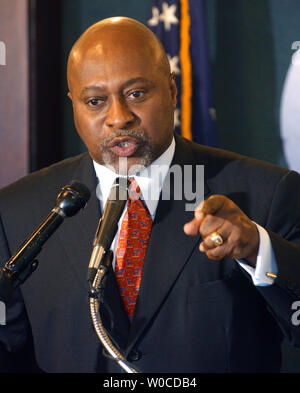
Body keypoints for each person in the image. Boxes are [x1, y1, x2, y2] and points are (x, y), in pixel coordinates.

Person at [0, 16, 300, 373]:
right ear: (74, 105)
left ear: (172, 90)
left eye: (136, 94)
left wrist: (258, 250)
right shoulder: (19, 211)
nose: (118, 117)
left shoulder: (266, 193)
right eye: (95, 101)